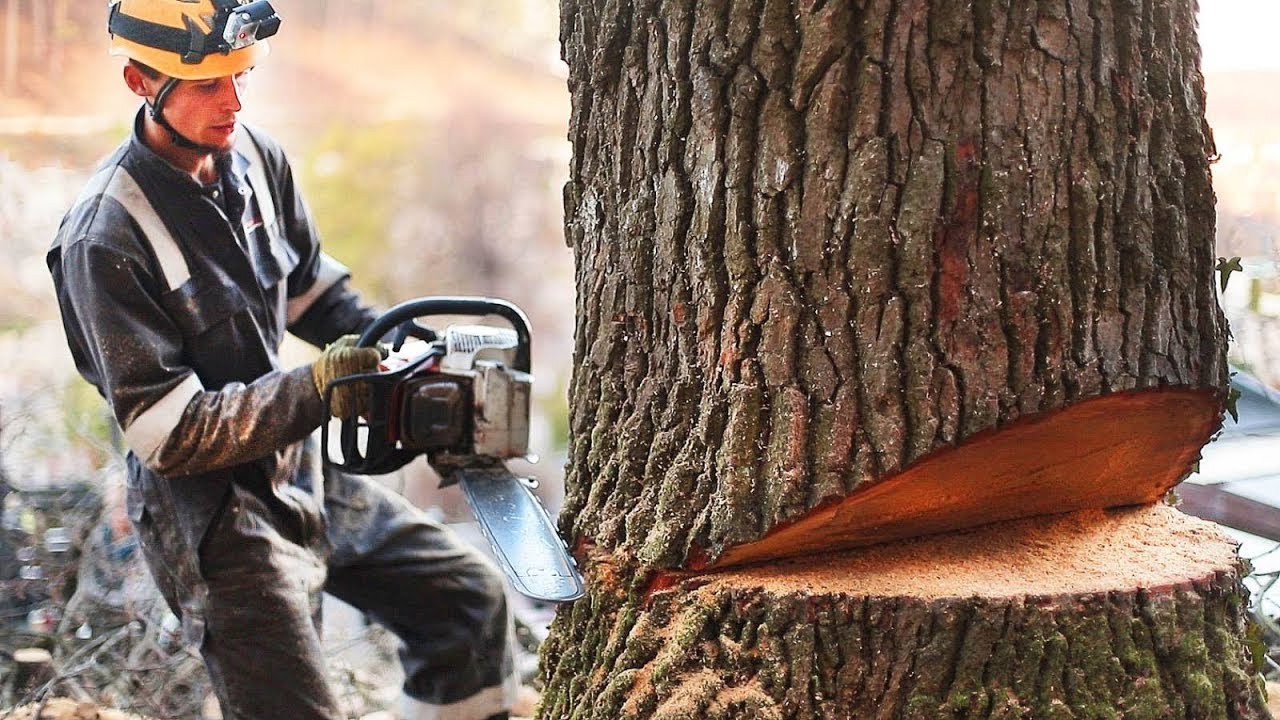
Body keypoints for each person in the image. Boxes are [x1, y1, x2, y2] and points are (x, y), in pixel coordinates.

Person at [46, 1, 521, 718]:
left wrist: (410, 360)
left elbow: (315, 298)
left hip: (301, 472)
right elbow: (169, 435)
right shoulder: (105, 237)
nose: (232, 101)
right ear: (141, 81)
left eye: (239, 76)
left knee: (466, 603)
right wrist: (321, 386)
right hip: (214, 521)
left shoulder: (258, 160)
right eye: (207, 84)